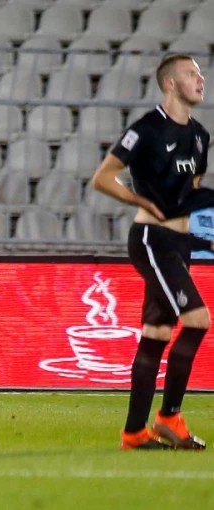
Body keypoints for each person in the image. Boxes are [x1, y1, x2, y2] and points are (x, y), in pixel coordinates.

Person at [93, 53, 208, 450]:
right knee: (198, 320)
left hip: (180, 243)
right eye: (191, 73)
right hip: (151, 239)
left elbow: (190, 193)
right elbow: (103, 177)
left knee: (157, 334)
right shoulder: (146, 129)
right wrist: (140, 200)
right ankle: (169, 417)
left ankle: (134, 432)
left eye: (201, 74)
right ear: (170, 83)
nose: (201, 79)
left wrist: (202, 237)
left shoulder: (200, 135)